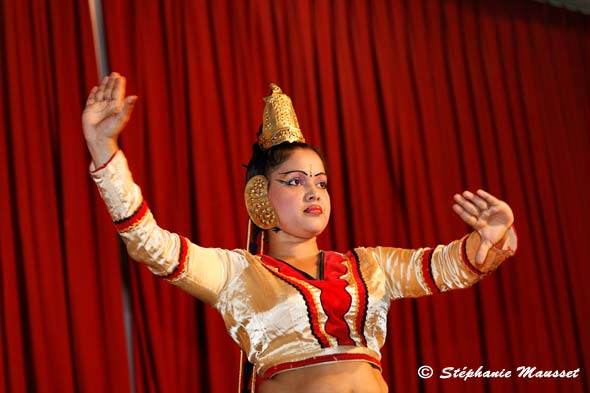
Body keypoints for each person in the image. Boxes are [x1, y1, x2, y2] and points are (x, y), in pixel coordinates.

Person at [83, 73, 517, 393]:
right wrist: (106, 152)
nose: (313, 190)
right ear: (260, 197)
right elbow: (150, 244)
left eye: (321, 181)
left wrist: (488, 239)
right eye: (294, 180)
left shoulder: (370, 265)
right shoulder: (237, 274)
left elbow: (449, 267)